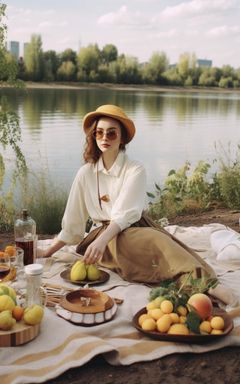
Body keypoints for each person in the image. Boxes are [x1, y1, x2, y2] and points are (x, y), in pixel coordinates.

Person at [38, 104, 215, 284]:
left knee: (164, 243)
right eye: (99, 132)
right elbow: (73, 223)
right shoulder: (85, 173)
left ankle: (203, 283)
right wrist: (48, 252)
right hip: (103, 237)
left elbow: (125, 215)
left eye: (111, 133)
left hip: (133, 227)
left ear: (122, 138)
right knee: (157, 243)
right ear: (93, 135)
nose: (104, 137)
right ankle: (200, 283)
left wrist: (102, 241)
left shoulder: (135, 169)